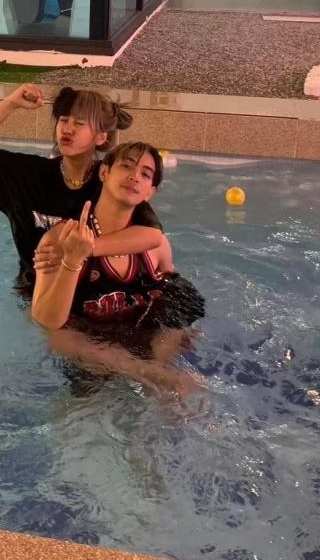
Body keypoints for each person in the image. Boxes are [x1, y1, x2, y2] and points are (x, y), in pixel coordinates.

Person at [31, 142, 205, 397]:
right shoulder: (61, 239)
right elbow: (51, 327)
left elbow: (177, 306)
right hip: (91, 358)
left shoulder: (157, 247)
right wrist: (72, 260)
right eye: (126, 166)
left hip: (148, 347)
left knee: (185, 397)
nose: (135, 176)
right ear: (104, 172)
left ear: (150, 192)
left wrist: (161, 365)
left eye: (145, 174)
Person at [0, 84, 164, 288]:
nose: (68, 129)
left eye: (79, 123)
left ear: (101, 137)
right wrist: (10, 103)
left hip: (94, 292)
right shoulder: (28, 174)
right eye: (63, 120)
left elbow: (153, 235)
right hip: (35, 289)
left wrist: (78, 250)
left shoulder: (109, 179)